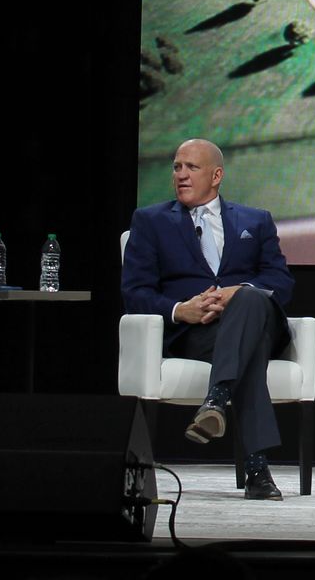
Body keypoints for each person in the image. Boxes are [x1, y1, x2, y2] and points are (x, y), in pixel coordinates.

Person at [123, 139, 294, 500]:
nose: (180, 175)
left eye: (191, 167)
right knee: (249, 350)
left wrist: (238, 291)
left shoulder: (255, 220)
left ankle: (216, 398)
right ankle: (257, 471)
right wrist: (179, 309)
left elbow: (281, 283)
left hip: (258, 320)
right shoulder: (151, 221)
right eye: (176, 167)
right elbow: (134, 292)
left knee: (249, 299)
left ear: (216, 175)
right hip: (197, 333)